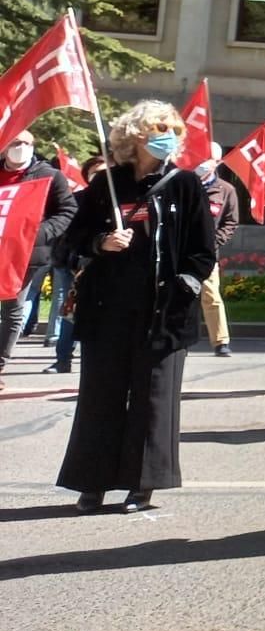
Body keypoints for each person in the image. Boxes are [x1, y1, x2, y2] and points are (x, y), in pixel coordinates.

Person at [54, 101, 216, 512]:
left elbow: (203, 250)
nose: (169, 134)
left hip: (163, 311)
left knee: (153, 398)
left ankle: (143, 484)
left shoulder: (185, 184)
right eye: (159, 127)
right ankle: (93, 481)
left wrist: (185, 286)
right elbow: (69, 242)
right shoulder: (106, 184)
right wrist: (99, 243)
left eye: (173, 128)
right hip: (107, 309)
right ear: (135, 136)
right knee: (101, 395)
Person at [0, 129, 78, 389]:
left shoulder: (49, 176)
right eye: (14, 142)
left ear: (33, 147)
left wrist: (42, 233)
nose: (19, 147)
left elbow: (67, 210)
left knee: (13, 309)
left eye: (25, 143)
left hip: (26, 255)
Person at [42, 155, 102, 375]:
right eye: (95, 172)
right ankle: (63, 358)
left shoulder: (117, 200)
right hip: (76, 265)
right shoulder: (77, 200)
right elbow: (66, 234)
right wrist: (73, 259)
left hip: (106, 265)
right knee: (70, 313)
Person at [195, 158, 238, 357]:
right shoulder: (184, 183)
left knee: (211, 295)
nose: (201, 164)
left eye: (207, 159)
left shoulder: (226, 189)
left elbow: (230, 222)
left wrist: (214, 242)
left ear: (216, 163)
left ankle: (221, 341)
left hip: (207, 253)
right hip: (179, 250)